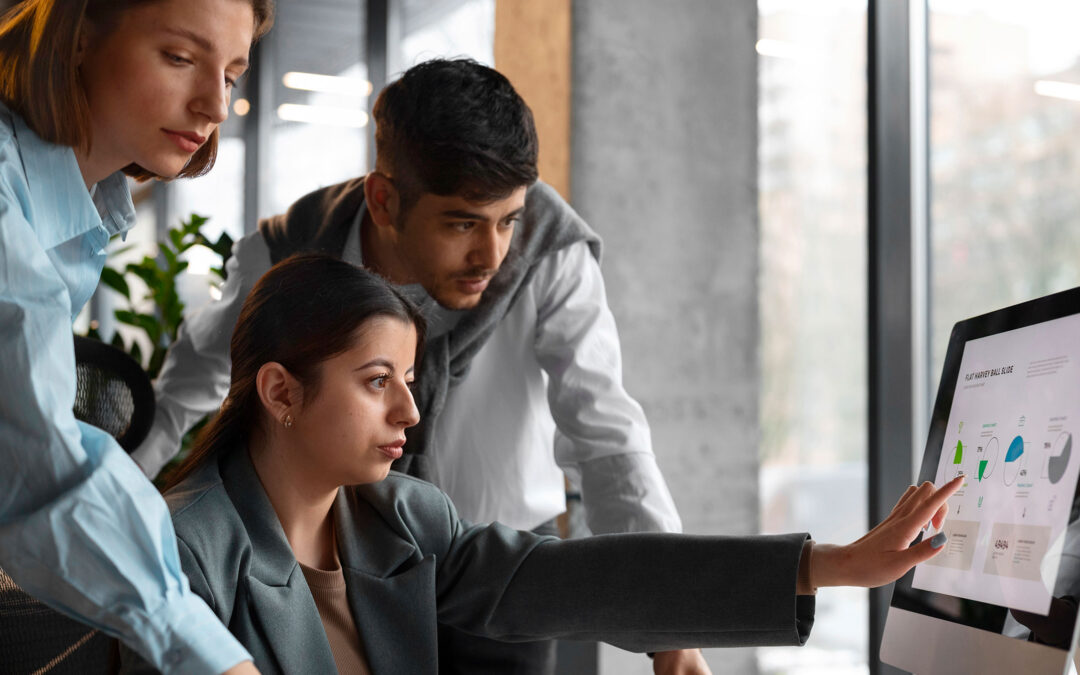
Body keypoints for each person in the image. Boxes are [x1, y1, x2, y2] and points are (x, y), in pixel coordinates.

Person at [119, 253, 960, 675]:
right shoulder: (182, 553)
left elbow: (587, 580)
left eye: (408, 382)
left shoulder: (404, 518)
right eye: (378, 383)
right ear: (280, 391)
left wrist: (836, 565)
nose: (409, 413)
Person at [134, 56, 699, 674]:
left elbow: (606, 433)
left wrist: (671, 626)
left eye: (509, 220)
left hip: (499, 570)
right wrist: (111, 518)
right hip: (345, 567)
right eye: (462, 223)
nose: (493, 254)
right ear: (383, 200)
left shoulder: (551, 252)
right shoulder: (291, 247)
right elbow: (187, 387)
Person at [0, 1, 273, 672]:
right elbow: (38, 463)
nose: (215, 103)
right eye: (181, 58)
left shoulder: (76, 208)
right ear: (78, 37)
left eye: (233, 74)